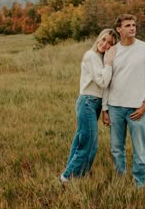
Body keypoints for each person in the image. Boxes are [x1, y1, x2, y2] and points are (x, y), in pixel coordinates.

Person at [102, 14, 145, 188]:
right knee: (116, 148)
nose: (132, 28)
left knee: (139, 150)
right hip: (115, 107)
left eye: (134, 25)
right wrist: (105, 109)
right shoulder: (112, 51)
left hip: (137, 108)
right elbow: (106, 81)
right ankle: (120, 179)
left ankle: (140, 184)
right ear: (119, 29)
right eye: (127, 25)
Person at [60, 28, 118, 183]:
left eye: (110, 43)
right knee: (90, 143)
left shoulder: (100, 59)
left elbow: (105, 86)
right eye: (104, 40)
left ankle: (74, 174)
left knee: (80, 140)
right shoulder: (91, 56)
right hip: (87, 103)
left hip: (93, 104)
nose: (105, 44)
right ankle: (66, 177)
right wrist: (110, 63)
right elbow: (103, 82)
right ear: (98, 38)